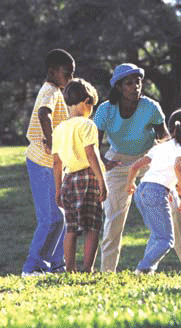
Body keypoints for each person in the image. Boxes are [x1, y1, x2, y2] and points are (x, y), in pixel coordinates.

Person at [94, 63, 181, 274]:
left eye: (138, 82)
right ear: (118, 87)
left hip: (149, 158)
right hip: (117, 160)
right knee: (114, 217)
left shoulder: (150, 106)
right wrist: (103, 162)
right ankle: (107, 272)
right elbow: (94, 143)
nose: (136, 86)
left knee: (176, 210)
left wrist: (175, 179)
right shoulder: (105, 110)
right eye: (129, 83)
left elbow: (164, 139)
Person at [126, 109, 181, 274]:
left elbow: (135, 166)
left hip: (143, 190)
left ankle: (151, 269)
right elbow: (178, 166)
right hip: (157, 191)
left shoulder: (161, 147)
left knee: (158, 235)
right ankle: (143, 268)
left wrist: (130, 183)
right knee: (165, 240)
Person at [22, 49, 75, 277]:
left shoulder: (56, 91)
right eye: (67, 72)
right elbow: (44, 113)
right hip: (41, 162)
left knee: (60, 218)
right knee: (51, 218)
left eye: (73, 73)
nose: (70, 78)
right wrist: (52, 143)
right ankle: (33, 267)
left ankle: (56, 265)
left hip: (52, 165)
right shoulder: (50, 91)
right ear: (53, 71)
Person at [52, 78, 107, 273]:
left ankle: (70, 269)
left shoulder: (59, 129)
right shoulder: (87, 125)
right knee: (92, 226)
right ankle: (87, 268)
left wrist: (58, 189)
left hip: (68, 180)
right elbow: (91, 153)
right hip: (88, 178)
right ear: (87, 102)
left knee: (71, 227)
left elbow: (57, 162)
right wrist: (101, 181)